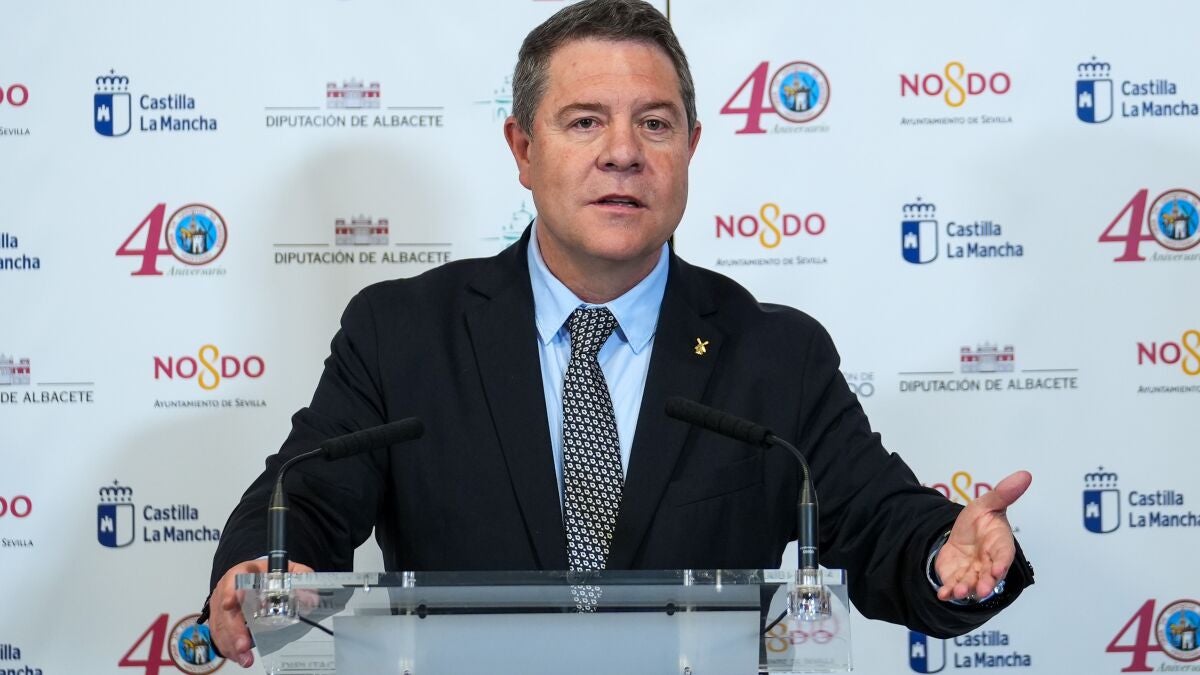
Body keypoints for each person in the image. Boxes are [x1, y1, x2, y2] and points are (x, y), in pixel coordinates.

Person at [203, 0, 1034, 667]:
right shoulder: (404, 333)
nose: (624, 153)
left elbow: (878, 522)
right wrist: (260, 569)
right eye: (584, 122)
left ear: (692, 148)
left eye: (656, 124)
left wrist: (945, 552)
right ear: (522, 148)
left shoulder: (774, 355)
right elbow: (300, 500)